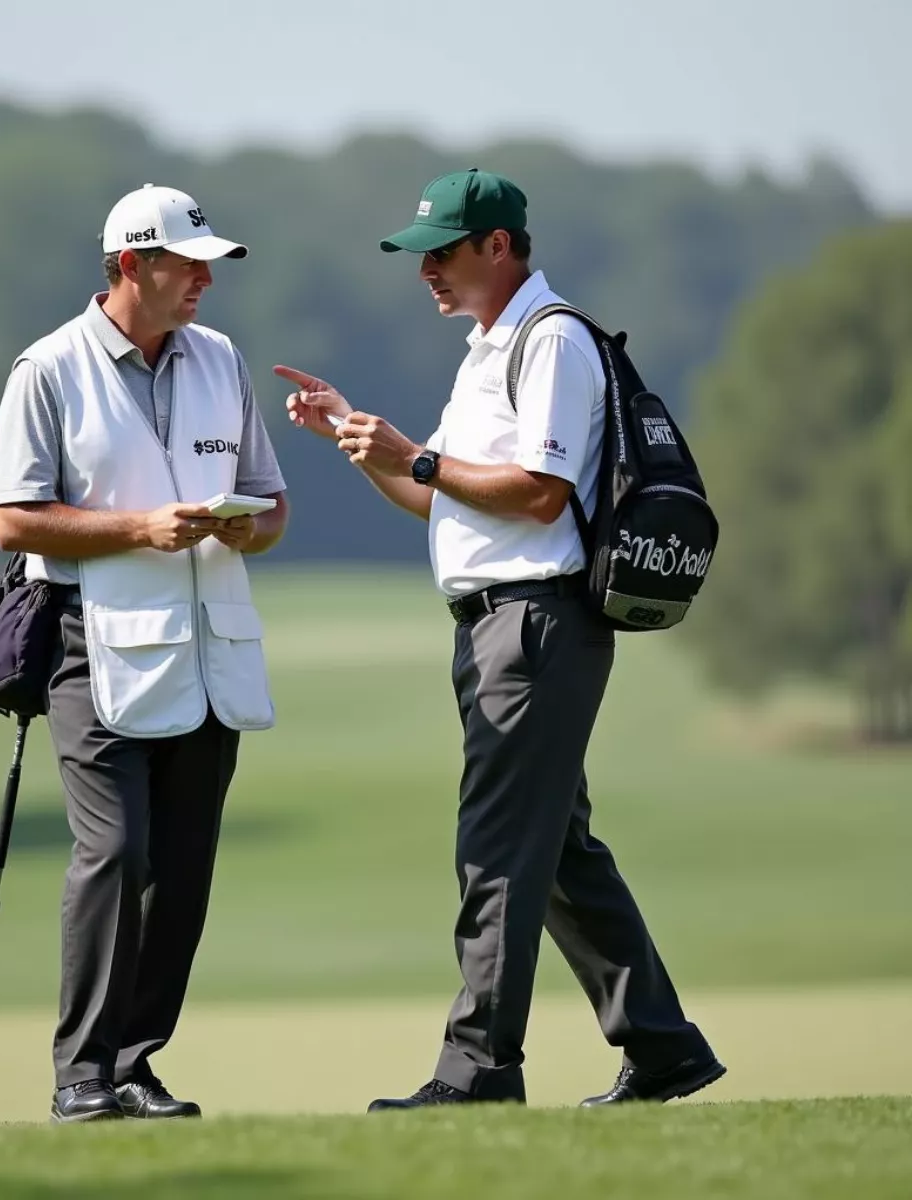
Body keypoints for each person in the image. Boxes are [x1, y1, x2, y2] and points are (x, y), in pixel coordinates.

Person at [276, 168, 724, 1109]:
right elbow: (433, 493)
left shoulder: (550, 340)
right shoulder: (489, 346)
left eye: (442, 251)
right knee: (556, 852)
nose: (427, 270)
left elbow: (537, 492)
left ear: (500, 245)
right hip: (498, 627)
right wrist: (360, 447)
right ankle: (665, 1047)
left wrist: (421, 455)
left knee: (496, 850)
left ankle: (478, 1071)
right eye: (420, 256)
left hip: (537, 624)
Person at [0, 183, 288, 1123]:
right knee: (116, 851)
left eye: (209, 265)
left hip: (207, 645)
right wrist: (138, 529)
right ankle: (81, 1072)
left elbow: (269, 502)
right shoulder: (48, 368)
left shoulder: (222, 360)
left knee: (184, 869)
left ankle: (132, 1061)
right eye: (186, 263)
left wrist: (250, 533)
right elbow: (14, 519)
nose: (204, 279)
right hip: (89, 639)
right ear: (131, 265)